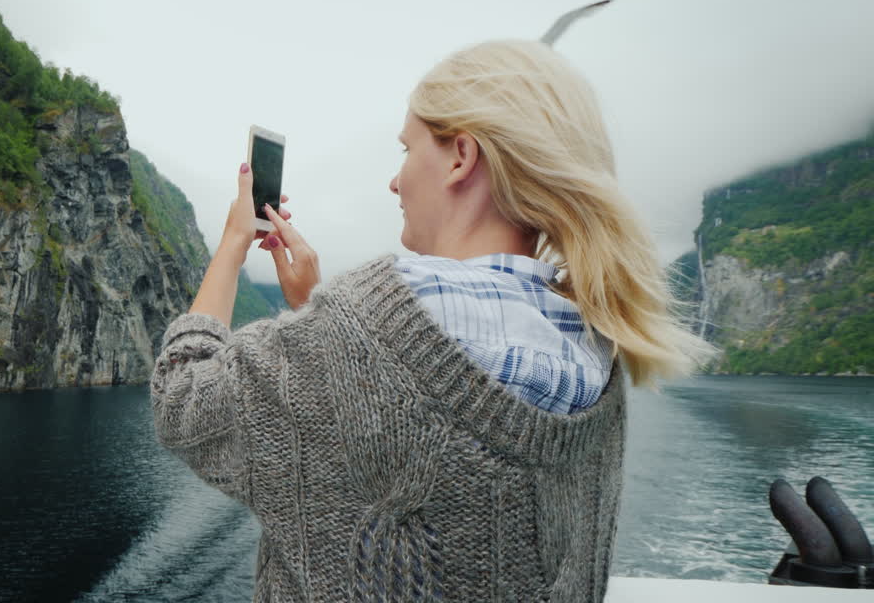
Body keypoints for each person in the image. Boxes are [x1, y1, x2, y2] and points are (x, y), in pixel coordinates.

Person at [150, 38, 714, 602]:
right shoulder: (596, 341)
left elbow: (184, 399)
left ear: (461, 158)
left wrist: (232, 243)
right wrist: (316, 315)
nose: (395, 182)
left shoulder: (366, 314)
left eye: (407, 148)